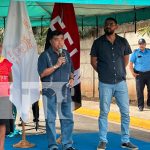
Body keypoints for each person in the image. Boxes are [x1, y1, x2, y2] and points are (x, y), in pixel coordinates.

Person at [90, 17, 138, 150]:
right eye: (106, 25)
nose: (108, 26)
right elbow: (93, 61)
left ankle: (125, 140)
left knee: (125, 113)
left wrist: (120, 71)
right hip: (105, 83)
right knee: (104, 112)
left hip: (121, 83)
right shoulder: (98, 43)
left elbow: (126, 59)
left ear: (116, 26)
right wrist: (103, 72)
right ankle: (103, 141)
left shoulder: (123, 41)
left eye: (111, 24)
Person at [38, 30, 75, 150]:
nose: (60, 42)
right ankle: (53, 145)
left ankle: (67, 144)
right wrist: (56, 65)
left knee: (67, 118)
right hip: (50, 91)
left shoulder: (66, 54)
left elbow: (71, 70)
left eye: (62, 39)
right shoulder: (44, 55)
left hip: (65, 90)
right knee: (50, 119)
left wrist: (71, 78)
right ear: (51, 41)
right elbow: (42, 74)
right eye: (56, 39)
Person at [129, 38, 150, 111]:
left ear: (145, 44)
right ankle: (140, 106)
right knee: (139, 91)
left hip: (149, 74)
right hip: (139, 75)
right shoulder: (135, 53)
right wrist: (132, 72)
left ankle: (149, 104)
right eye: (140, 44)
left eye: (143, 44)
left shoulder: (149, 52)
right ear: (138, 45)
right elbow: (131, 63)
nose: (141, 45)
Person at [0, 43, 13, 150]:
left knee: (2, 123)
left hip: (4, 97)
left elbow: (11, 79)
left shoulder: (7, 63)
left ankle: (2, 147)